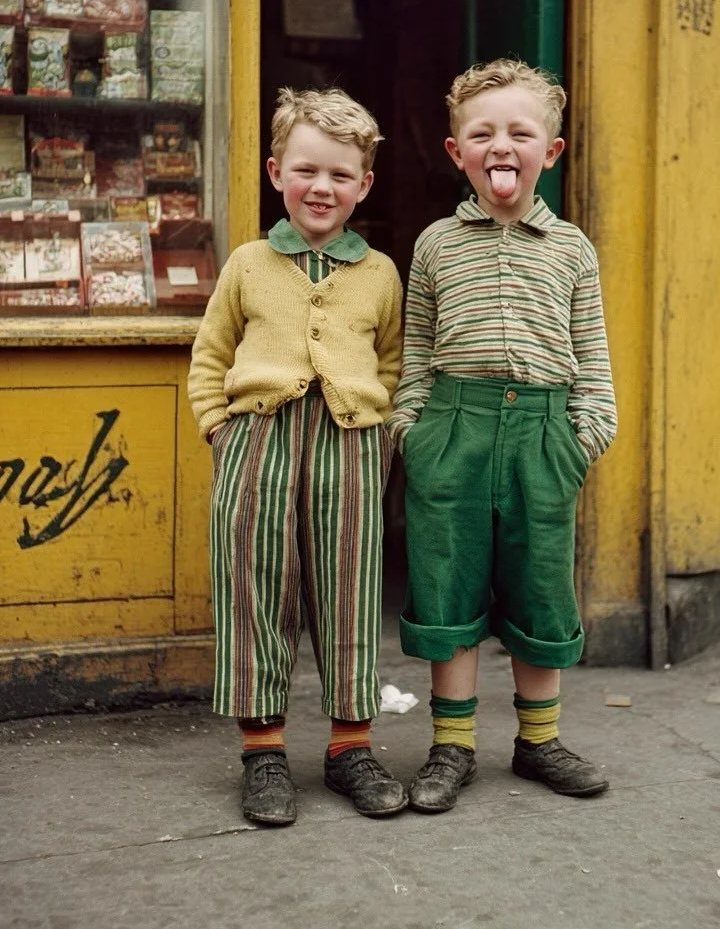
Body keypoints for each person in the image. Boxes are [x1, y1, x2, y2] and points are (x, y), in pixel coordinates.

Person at [387, 59, 618, 814]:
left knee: (539, 588)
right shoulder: (434, 245)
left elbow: (592, 357)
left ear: (550, 150)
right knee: (447, 586)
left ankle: (538, 741)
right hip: (453, 430)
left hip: (544, 437)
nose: (501, 146)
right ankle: (451, 747)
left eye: (520, 132)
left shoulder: (573, 250)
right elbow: (417, 349)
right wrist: (412, 433)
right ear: (457, 153)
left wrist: (584, 438)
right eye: (482, 133)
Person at [188, 87, 406, 826]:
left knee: (351, 590)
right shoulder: (248, 264)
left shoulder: (379, 273)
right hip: (258, 441)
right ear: (276, 171)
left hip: (349, 447)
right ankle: (264, 753)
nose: (322, 187)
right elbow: (210, 355)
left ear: (363, 185)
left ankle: (351, 748)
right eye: (307, 170)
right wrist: (219, 429)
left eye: (341, 175)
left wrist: (380, 434)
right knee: (254, 590)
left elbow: (393, 361)